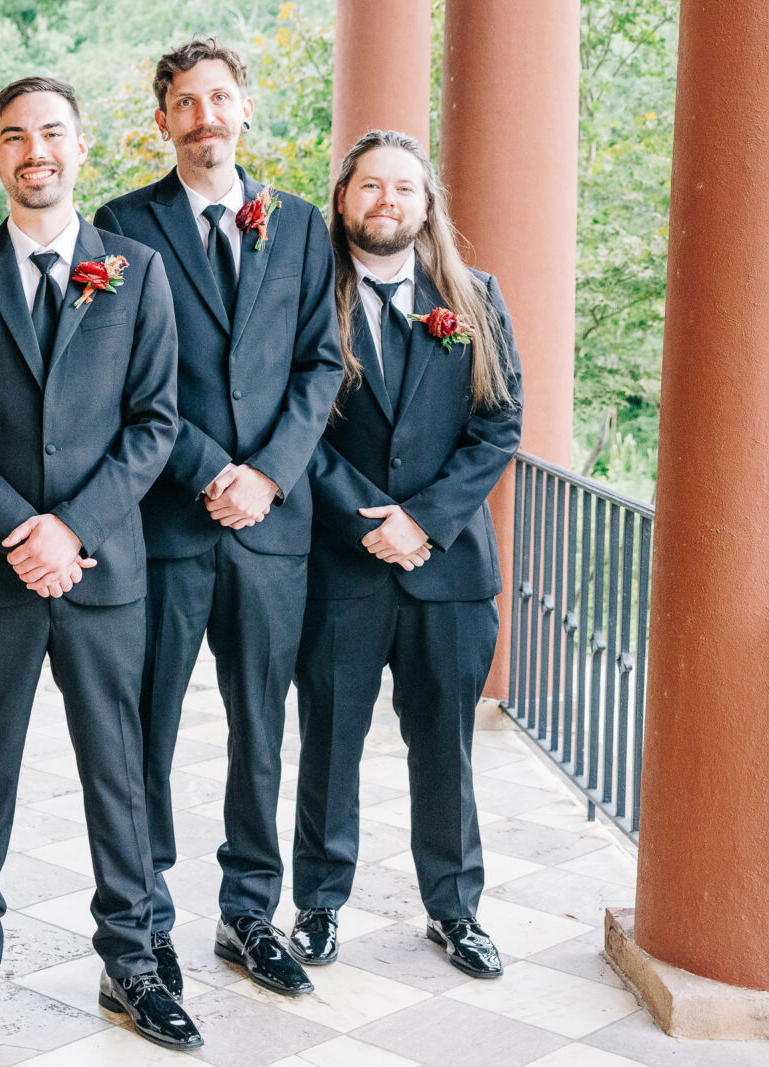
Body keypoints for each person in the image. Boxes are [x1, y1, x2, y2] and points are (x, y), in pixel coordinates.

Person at [0, 77, 201, 1053]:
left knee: (120, 772)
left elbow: (155, 422)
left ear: (82, 150)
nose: (34, 149)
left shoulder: (138, 273)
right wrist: (15, 530)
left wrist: (70, 529)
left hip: (103, 569)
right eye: (13, 135)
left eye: (51, 133)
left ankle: (133, 961)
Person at [94, 37, 342, 998]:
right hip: (166, 521)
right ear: (163, 121)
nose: (204, 116)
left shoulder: (302, 227)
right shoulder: (122, 225)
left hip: (273, 527)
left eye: (219, 98)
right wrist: (211, 471)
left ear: (245, 110)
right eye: (185, 103)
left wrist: (269, 475)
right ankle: (145, 917)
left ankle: (250, 913)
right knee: (144, 728)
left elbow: (322, 363)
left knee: (260, 726)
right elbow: (123, 376)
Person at [291, 129, 523, 979]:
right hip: (340, 570)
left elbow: (498, 423)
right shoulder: (309, 297)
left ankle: (455, 910)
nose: (387, 201)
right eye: (370, 187)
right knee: (328, 744)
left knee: (445, 748)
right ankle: (317, 904)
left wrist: (422, 521)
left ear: (427, 207)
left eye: (405, 189)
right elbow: (298, 430)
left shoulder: (474, 295)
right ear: (344, 200)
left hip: (449, 572)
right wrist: (366, 520)